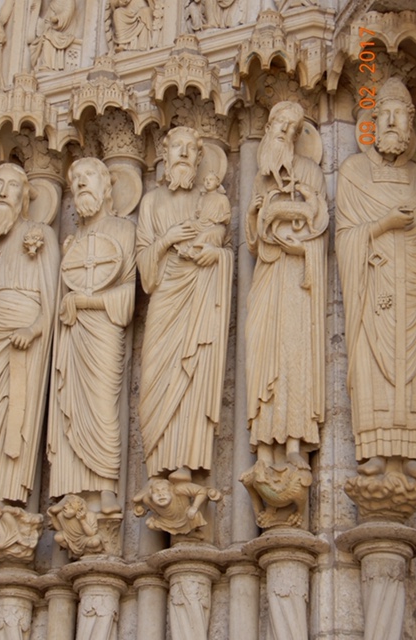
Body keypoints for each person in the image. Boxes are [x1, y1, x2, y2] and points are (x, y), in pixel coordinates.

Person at [0, 164, 60, 511]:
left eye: (13, 185)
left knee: (13, 413)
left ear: (25, 197)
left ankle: (4, 497)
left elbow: (51, 298)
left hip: (23, 341)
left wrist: (32, 329)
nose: (3, 192)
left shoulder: (41, 234)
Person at [137, 126, 233, 482]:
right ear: (164, 156)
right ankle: (157, 462)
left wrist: (215, 255)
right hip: (165, 296)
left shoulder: (210, 200)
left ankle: (185, 462)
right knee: (155, 373)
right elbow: (142, 264)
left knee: (193, 371)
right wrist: (166, 240)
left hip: (198, 295)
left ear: (199, 158)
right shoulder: (151, 202)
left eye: (190, 148)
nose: (182, 153)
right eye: (176, 147)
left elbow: (222, 243)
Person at [336, 77, 416, 478]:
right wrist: (384, 224)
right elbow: (344, 237)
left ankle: (411, 450)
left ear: (411, 125)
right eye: (385, 114)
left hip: (411, 289)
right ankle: (374, 451)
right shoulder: (353, 172)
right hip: (372, 287)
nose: (392, 122)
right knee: (371, 359)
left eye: (400, 115)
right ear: (372, 122)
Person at [48, 158, 136, 514]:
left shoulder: (124, 230)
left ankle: (106, 484)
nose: (81, 183)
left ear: (107, 185)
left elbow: (129, 293)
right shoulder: (72, 242)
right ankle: (70, 487)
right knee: (68, 401)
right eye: (76, 179)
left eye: (89, 176)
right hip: (73, 333)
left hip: (103, 329)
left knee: (102, 403)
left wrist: (86, 301)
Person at [245, 101, 328, 470]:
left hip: (296, 279)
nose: (283, 130)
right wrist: (254, 215)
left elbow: (319, 224)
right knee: (261, 354)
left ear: (297, 136)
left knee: (294, 354)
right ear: (267, 129)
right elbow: (252, 242)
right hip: (267, 275)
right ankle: (263, 447)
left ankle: (294, 442)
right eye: (278, 123)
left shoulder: (310, 171)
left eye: (291, 127)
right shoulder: (260, 179)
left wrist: (301, 244)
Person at [176, 170, 231, 260]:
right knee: (187, 224)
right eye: (206, 180)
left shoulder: (222, 198)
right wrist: (199, 213)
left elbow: (227, 217)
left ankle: (191, 251)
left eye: (211, 179)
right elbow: (199, 213)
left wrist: (217, 220)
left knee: (205, 234)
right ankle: (181, 247)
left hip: (215, 226)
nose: (208, 182)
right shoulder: (202, 198)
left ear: (217, 182)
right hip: (201, 223)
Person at [30, 0, 76, 71]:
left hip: (63, 31)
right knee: (37, 42)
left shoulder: (69, 1)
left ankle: (47, 65)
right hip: (50, 30)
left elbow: (68, 14)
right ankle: (43, 64)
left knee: (47, 37)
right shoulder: (53, 3)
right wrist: (34, 13)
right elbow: (45, 20)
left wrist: (57, 18)